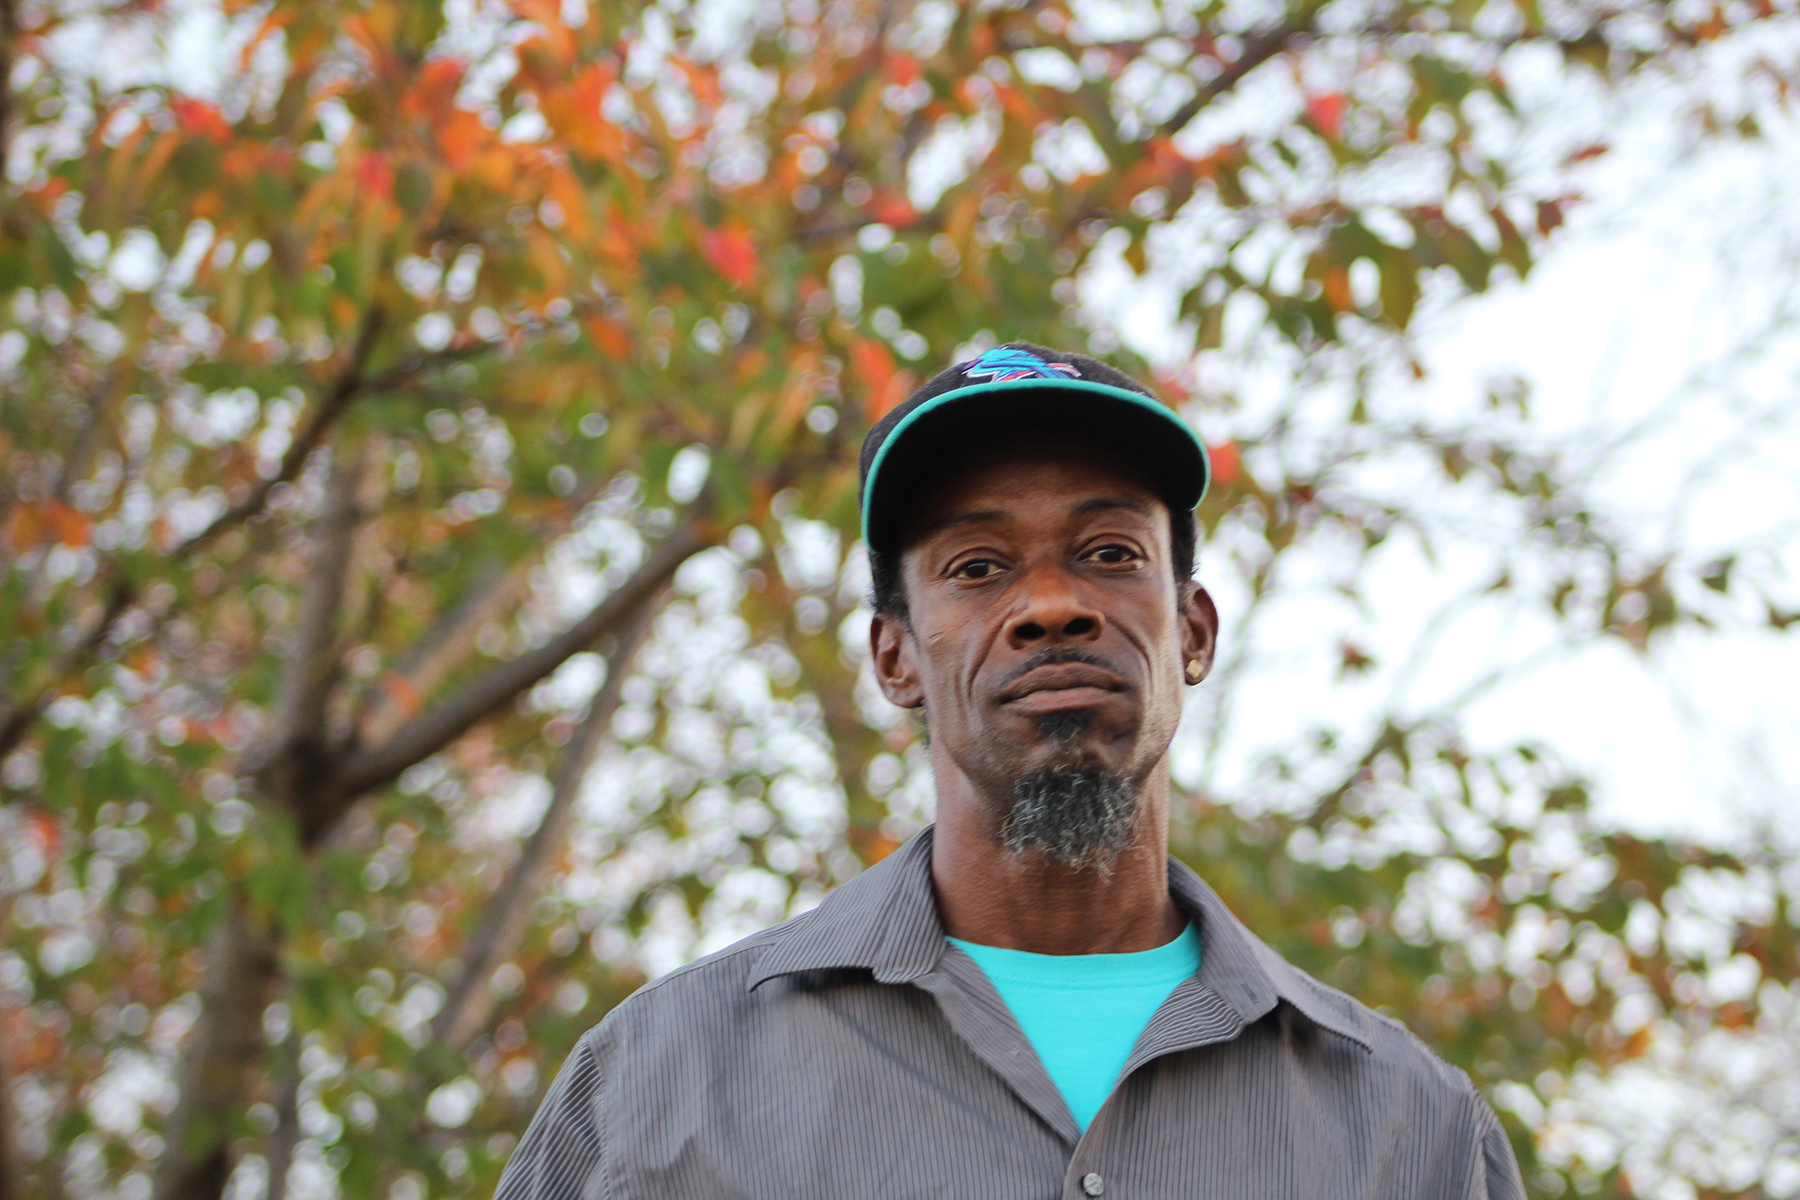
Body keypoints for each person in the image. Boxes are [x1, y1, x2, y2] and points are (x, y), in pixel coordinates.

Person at [495, 344, 1525, 1199]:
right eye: (978, 568)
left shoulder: (1410, 1128)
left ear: (1195, 632)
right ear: (894, 658)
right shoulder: (657, 1085)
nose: (1050, 604)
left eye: (1111, 553)